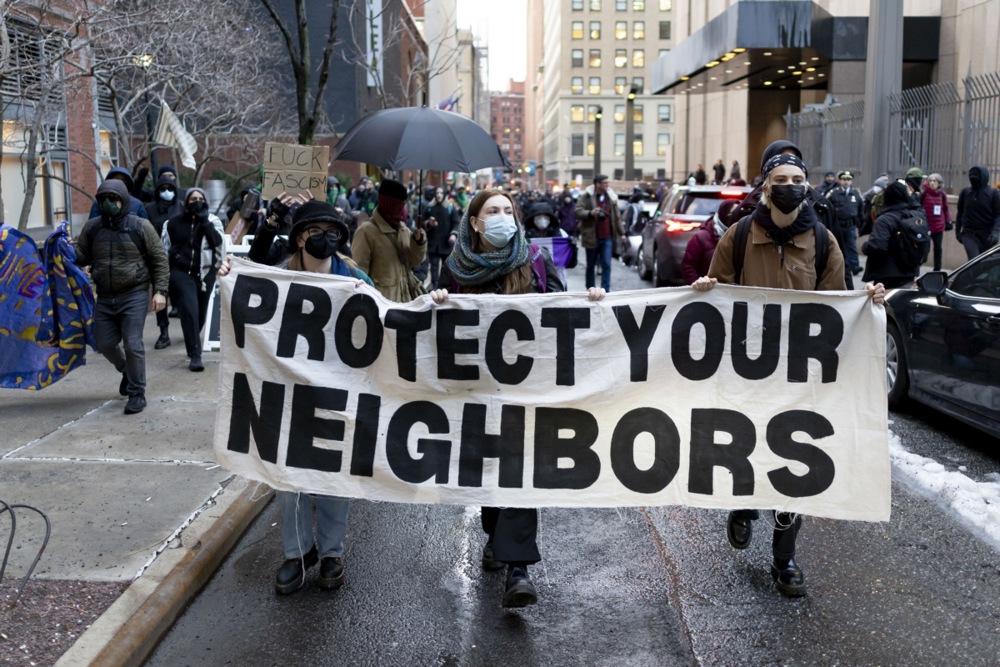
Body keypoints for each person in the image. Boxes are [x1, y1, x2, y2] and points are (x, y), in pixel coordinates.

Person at [692, 150, 887, 597]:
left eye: (796, 178)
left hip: (800, 375)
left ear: (807, 186)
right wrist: (705, 288)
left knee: (794, 460)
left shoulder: (823, 241)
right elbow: (715, 293)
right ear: (765, 186)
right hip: (746, 370)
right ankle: (742, 505)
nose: (789, 184)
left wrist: (867, 301)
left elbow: (837, 306)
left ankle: (785, 558)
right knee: (745, 445)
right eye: (780, 178)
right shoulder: (738, 236)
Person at [430, 189, 606, 608]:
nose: (502, 217)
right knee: (489, 471)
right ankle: (496, 536)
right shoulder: (453, 271)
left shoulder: (537, 263)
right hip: (475, 392)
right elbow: (430, 334)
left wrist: (591, 303)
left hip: (526, 391)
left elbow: (563, 312)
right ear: (474, 222)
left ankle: (518, 570)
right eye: (492, 211)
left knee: (519, 472)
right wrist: (436, 304)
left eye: (507, 211)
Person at [219, 200, 373, 595]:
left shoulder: (355, 278)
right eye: (314, 231)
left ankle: (332, 554)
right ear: (299, 237)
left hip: (339, 395)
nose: (324, 239)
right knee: (288, 480)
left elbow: (388, 325)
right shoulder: (280, 276)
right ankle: (297, 552)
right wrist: (230, 275)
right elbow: (249, 288)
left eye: (333, 232)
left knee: (335, 480)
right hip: (286, 395)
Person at [74, 179, 169, 414]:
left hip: (134, 294)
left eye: (113, 198)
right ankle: (127, 370)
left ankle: (137, 393)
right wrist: (64, 248)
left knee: (133, 343)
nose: (108, 202)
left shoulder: (140, 226)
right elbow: (82, 256)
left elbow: (159, 259)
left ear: (124, 199)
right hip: (105, 296)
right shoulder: (93, 227)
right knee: (104, 343)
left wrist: (160, 291)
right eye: (103, 198)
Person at [162, 188, 224, 372]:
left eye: (200, 198)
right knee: (190, 309)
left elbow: (218, 243)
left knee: (201, 315)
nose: (196, 201)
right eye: (192, 199)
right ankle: (195, 355)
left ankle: (192, 338)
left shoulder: (213, 221)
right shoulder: (172, 223)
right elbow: (164, 249)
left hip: (206, 274)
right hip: (181, 274)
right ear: (186, 201)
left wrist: (204, 221)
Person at [351, 178, 428, 302]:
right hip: (382, 308)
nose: (402, 210)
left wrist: (418, 242)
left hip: (407, 303)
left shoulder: (403, 229)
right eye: (399, 204)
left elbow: (414, 261)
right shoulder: (366, 232)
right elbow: (358, 276)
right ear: (390, 204)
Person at [862, 180, 927, 288]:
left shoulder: (885, 219)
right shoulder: (916, 216)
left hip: (887, 274)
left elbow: (877, 245)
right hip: (910, 272)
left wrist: (865, 247)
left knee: (885, 303)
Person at [145, 175, 183, 350]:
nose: (166, 192)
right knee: (160, 295)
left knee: (182, 296)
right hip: (157, 259)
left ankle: (189, 328)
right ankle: (163, 332)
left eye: (170, 188)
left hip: (178, 259)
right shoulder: (149, 210)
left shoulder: (181, 207)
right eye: (162, 188)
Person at [574, 174, 627, 292]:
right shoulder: (587, 196)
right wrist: (591, 213)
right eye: (605, 183)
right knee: (591, 265)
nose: (607, 185)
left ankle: (605, 290)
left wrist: (622, 233)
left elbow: (617, 217)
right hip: (591, 236)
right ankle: (590, 289)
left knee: (606, 264)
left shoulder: (612, 198)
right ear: (598, 184)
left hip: (607, 236)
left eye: (608, 183)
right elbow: (577, 212)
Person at [681, 199, 739, 285]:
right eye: (730, 214)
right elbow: (689, 267)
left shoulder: (741, 236)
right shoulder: (701, 238)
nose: (733, 217)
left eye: (737, 214)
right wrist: (698, 285)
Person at [523, 199, 576, 286]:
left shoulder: (561, 235)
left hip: (558, 281)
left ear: (551, 218)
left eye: (545, 216)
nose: (542, 219)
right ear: (532, 218)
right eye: (538, 216)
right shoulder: (524, 236)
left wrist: (573, 249)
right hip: (532, 283)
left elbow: (571, 264)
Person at [955, 165, 1000, 260]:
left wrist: (995, 233)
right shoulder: (965, 192)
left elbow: (998, 215)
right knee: (974, 261)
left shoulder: (994, 194)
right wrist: (958, 232)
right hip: (969, 234)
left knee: (984, 265)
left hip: (987, 235)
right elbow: (960, 213)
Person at [824, 171, 864, 276]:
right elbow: (826, 207)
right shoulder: (833, 193)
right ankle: (837, 266)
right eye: (844, 179)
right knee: (838, 246)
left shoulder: (856, 193)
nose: (846, 182)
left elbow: (860, 209)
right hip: (838, 225)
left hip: (851, 224)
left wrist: (861, 223)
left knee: (852, 246)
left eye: (848, 180)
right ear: (840, 180)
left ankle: (854, 266)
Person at [425, 186, 460, 288]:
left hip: (446, 243)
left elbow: (456, 222)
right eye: (437, 193)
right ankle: (435, 285)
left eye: (441, 193)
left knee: (446, 267)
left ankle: (445, 287)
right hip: (434, 243)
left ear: (444, 194)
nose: (439, 195)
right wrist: (428, 223)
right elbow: (423, 221)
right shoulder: (430, 207)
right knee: (434, 266)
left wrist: (453, 234)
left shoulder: (450, 207)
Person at [920, 173, 952, 271]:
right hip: (926, 226)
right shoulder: (924, 193)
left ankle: (937, 269)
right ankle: (919, 265)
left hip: (938, 226)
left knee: (938, 248)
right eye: (931, 181)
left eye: (935, 181)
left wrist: (948, 220)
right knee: (925, 248)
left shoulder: (942, 194)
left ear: (939, 183)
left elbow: (945, 209)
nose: (932, 183)